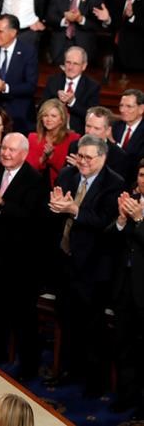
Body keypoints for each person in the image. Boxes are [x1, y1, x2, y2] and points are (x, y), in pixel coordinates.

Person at [48, 135, 125, 396]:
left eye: (88, 157)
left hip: (94, 268)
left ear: (102, 157)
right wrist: (57, 208)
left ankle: (94, 383)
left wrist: (74, 209)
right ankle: (67, 370)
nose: (82, 161)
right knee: (66, 321)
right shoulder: (68, 175)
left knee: (92, 328)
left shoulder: (114, 184)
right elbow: (54, 211)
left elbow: (106, 222)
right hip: (65, 261)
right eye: (80, 156)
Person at [0, 133, 47, 379]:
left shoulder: (35, 180)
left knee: (23, 316)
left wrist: (1, 203)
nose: (5, 153)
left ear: (24, 154)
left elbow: (32, 218)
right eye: (4, 148)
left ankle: (29, 366)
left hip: (20, 262)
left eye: (12, 150)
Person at [110, 160, 144, 418]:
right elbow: (109, 239)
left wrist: (140, 220)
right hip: (124, 286)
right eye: (142, 175)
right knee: (124, 344)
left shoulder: (138, 209)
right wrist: (121, 220)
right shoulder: (130, 200)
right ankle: (125, 395)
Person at [0, 14, 38, 135]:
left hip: (20, 116)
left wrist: (6, 88)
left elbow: (30, 86)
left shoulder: (28, 52)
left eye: (0, 31)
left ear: (13, 32)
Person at [40, 46, 100, 135]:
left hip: (77, 133)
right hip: (52, 131)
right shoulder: (53, 81)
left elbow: (91, 116)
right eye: (68, 62)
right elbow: (42, 107)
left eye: (75, 64)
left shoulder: (92, 86)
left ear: (84, 66)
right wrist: (56, 102)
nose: (70, 67)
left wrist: (72, 102)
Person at [26, 99, 81, 187]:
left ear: (62, 119)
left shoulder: (73, 139)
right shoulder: (33, 138)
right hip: (34, 186)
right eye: (45, 115)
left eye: (53, 116)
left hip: (61, 187)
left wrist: (52, 157)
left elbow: (69, 172)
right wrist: (43, 159)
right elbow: (28, 170)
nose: (48, 119)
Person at [66, 106, 130, 181]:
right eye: (88, 126)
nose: (90, 132)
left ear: (108, 131)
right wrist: (73, 170)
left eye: (96, 128)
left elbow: (115, 185)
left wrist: (83, 168)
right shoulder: (75, 146)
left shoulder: (118, 155)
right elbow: (66, 177)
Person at [45, 0, 102, 65]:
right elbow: (50, 16)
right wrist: (65, 20)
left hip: (84, 44)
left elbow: (97, 24)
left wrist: (80, 19)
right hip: (60, 43)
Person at [112, 89, 144, 183]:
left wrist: (113, 143)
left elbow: (134, 162)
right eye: (121, 105)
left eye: (129, 106)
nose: (122, 110)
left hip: (132, 181)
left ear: (141, 109)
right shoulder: (114, 126)